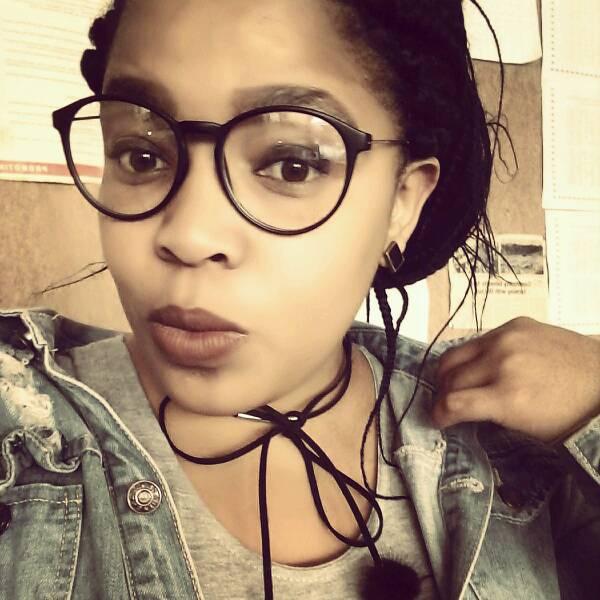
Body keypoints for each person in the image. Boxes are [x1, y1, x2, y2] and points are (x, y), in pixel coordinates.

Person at [0, 1, 598, 599]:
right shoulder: (20, 429)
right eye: (142, 155)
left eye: (292, 165)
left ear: (402, 202)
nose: (188, 234)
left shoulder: (519, 453)